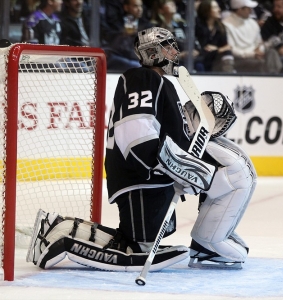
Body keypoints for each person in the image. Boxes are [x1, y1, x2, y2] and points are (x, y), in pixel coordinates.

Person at [27, 27, 257, 272]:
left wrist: (183, 163)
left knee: (132, 241)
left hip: (150, 177)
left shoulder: (160, 83)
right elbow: (137, 135)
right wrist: (171, 167)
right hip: (143, 178)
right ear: (153, 52)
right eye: (168, 46)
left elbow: (167, 134)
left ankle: (58, 227)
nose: (174, 52)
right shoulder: (143, 78)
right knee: (138, 249)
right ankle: (65, 244)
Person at [150, 0, 202, 71]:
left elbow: (194, 42)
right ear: (160, 10)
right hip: (168, 62)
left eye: (172, 2)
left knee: (199, 66)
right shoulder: (155, 27)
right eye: (168, 3)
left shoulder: (181, 25)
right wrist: (180, 55)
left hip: (187, 60)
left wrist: (195, 51)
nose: (172, 4)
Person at [104, 0, 152, 72]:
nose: (139, 9)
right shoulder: (116, 23)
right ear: (126, 7)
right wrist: (122, 34)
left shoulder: (147, 26)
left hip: (138, 59)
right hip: (119, 57)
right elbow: (110, 41)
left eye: (141, 6)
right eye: (135, 6)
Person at [222, 0, 266, 73]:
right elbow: (231, 49)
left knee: (272, 53)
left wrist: (260, 51)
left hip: (256, 57)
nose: (251, 11)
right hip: (238, 60)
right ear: (240, 10)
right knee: (261, 64)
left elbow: (259, 43)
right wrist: (252, 54)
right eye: (248, 8)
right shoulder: (226, 24)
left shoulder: (253, 23)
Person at [195, 0, 235, 72]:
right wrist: (218, 49)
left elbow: (227, 46)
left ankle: (229, 78)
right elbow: (203, 49)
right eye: (215, 7)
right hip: (201, 59)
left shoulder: (220, 26)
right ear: (206, 10)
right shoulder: (197, 25)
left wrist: (217, 49)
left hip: (215, 59)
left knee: (228, 53)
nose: (219, 10)